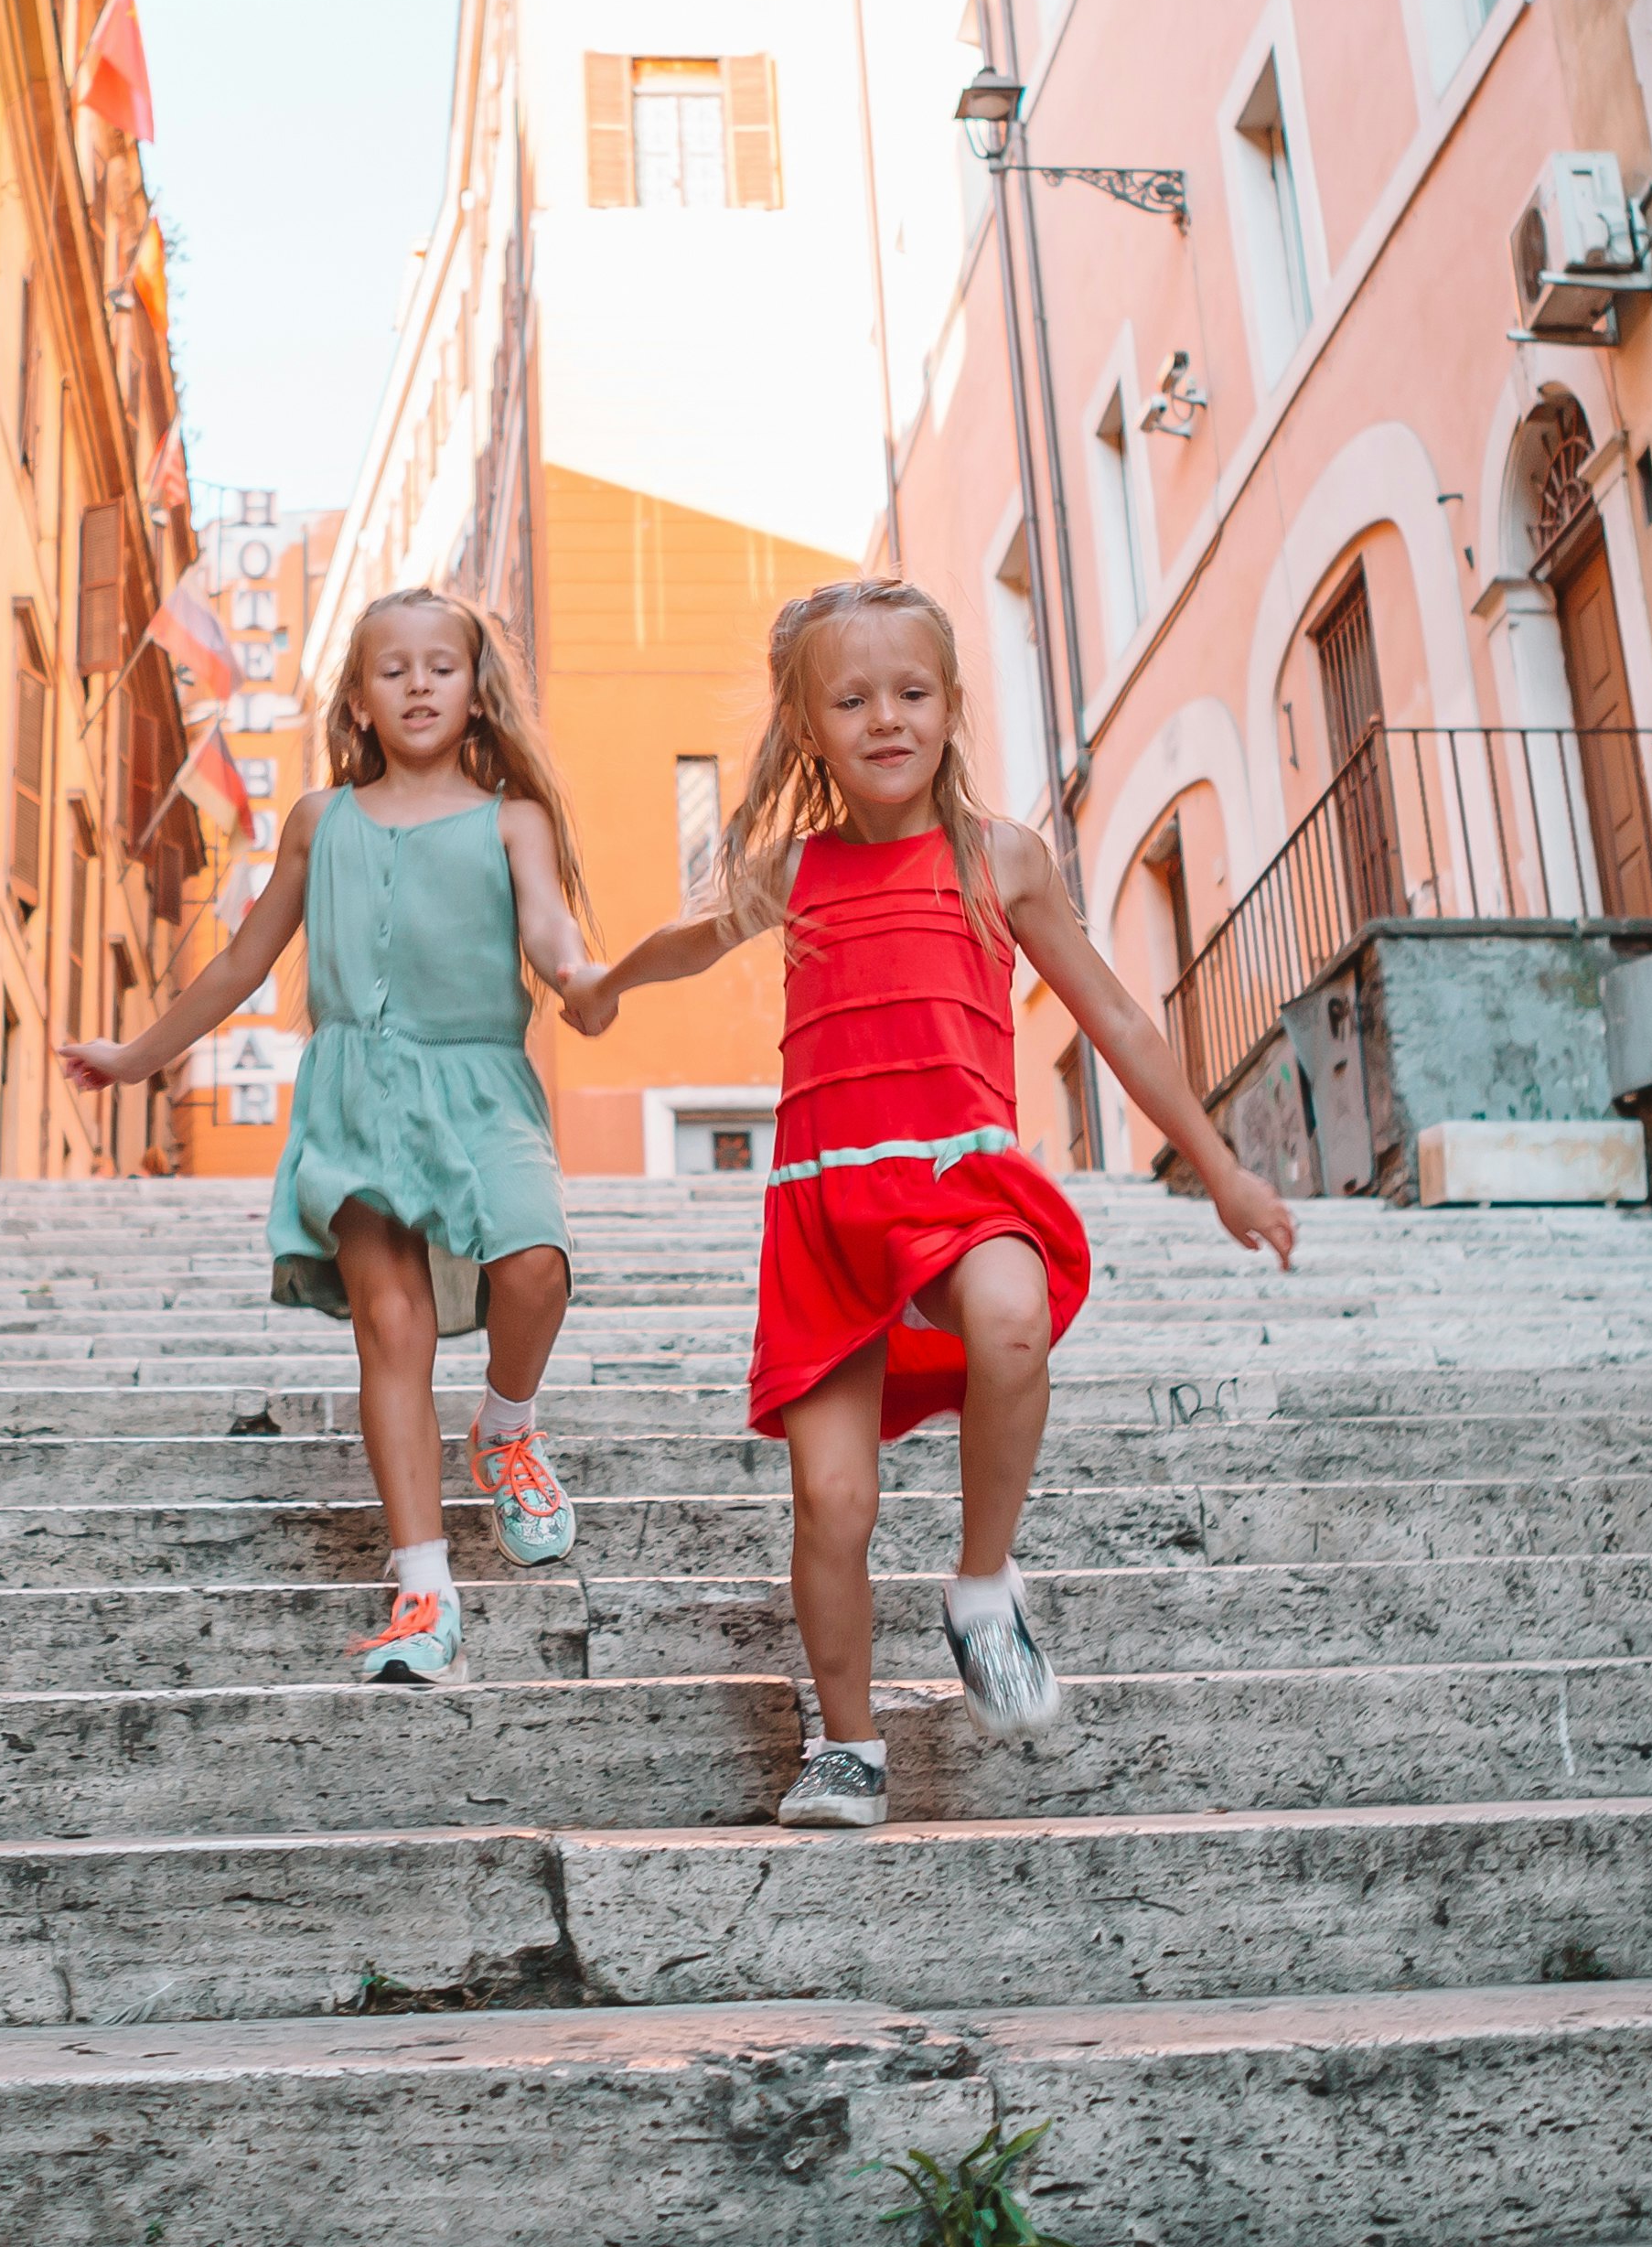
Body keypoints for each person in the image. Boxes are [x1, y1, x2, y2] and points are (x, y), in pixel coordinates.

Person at [571, 577, 1293, 1829]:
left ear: (952, 706)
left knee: (1011, 1315)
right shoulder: (786, 869)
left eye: (911, 692)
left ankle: (979, 1582)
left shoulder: (998, 854)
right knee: (830, 1501)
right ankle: (846, 1745)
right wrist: (601, 984)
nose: (885, 719)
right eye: (850, 699)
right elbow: (685, 941)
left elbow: (1115, 1015)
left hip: (959, 1179)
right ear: (808, 727)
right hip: (824, 1208)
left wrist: (1218, 1164)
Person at [64, 586, 605, 1686]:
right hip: (354, 1093)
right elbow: (239, 962)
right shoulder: (323, 820)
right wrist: (135, 1054)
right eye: (391, 668)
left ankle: (505, 1427)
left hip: (482, 1084)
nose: (416, 683)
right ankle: (422, 1589)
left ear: (475, 689)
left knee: (536, 1265)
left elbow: (552, 928)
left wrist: (582, 978)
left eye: (439, 666)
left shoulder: (513, 818)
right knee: (390, 1328)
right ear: (357, 698)